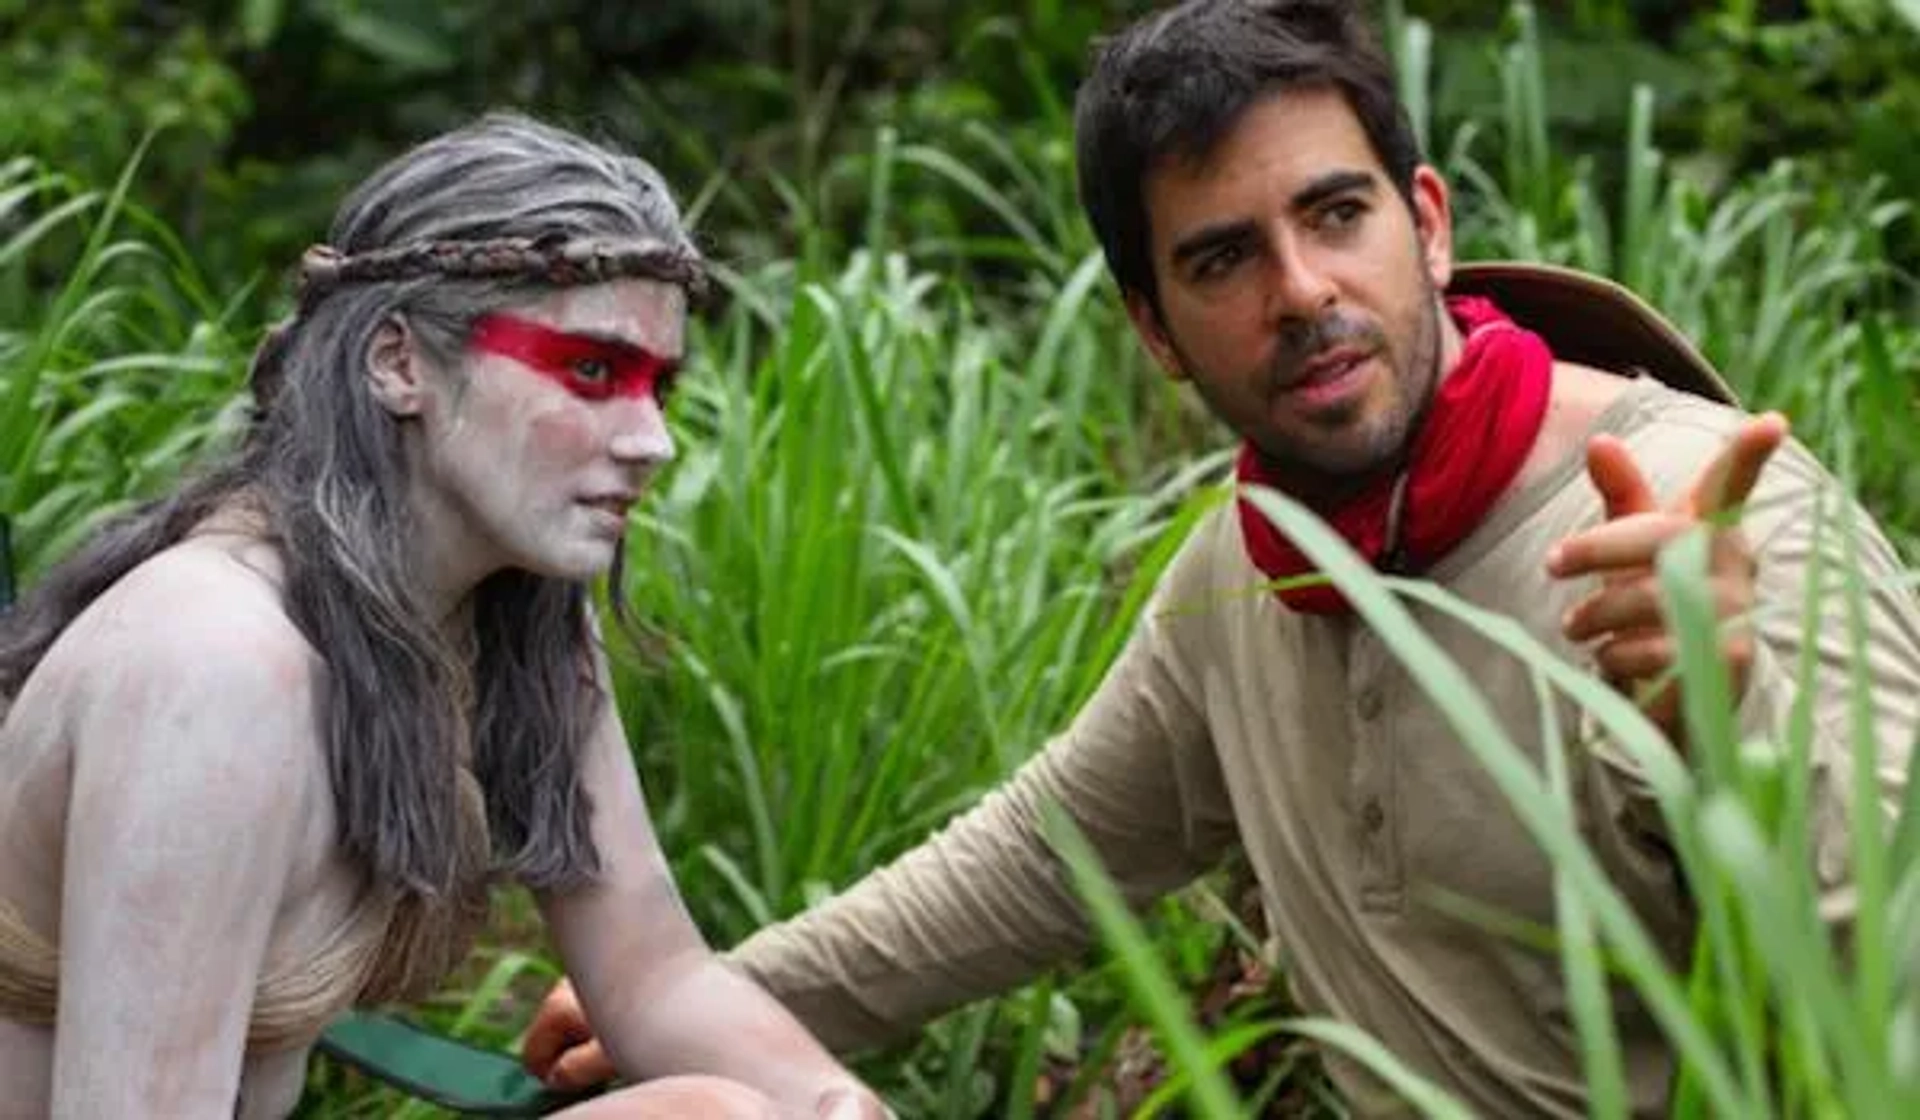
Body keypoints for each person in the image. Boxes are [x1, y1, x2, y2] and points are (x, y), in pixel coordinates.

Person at [522, 1, 1920, 1115]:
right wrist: (700, 1002)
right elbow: (1033, 863)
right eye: (1222, 260)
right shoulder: (1245, 575)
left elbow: (1893, 997)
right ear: (1153, 325)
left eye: (1335, 215)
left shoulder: (1711, 524)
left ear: (1427, 224)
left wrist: (1725, 721)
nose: (1302, 294)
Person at [0, 113, 890, 1119]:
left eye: (660, 386)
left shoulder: (514, 627)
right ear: (397, 361)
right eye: (592, 371)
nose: (652, 440)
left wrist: (836, 1104)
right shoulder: (218, 664)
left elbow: (655, 980)